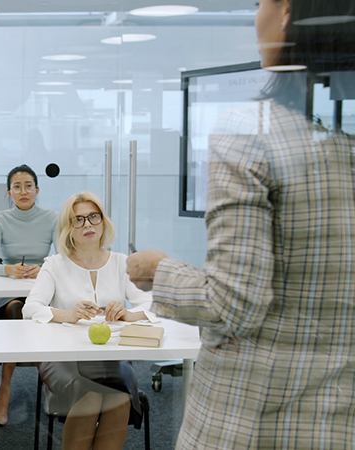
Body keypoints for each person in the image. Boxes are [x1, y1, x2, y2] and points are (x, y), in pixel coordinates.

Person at [126, 1, 355, 448]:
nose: (256, 18)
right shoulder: (344, 147)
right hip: (336, 422)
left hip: (251, 419)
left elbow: (231, 305)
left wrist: (160, 270)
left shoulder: (250, 132)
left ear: (286, 12)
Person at [23, 192, 155, 450]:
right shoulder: (54, 265)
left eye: (93, 217)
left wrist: (130, 313)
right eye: (78, 220)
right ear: (67, 229)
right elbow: (30, 309)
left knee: (118, 397)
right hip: (62, 355)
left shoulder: (121, 263)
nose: (87, 225)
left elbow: (152, 304)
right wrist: (68, 315)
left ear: (103, 222)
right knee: (91, 395)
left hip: (110, 355)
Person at [0, 164, 57, 425]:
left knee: (41, 311)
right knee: (17, 311)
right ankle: (5, 389)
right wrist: (9, 269)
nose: (23, 191)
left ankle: (49, 383)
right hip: (10, 293)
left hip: (43, 290)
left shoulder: (52, 218)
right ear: (9, 192)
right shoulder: (0, 219)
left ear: (37, 190)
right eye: (17, 186)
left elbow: (63, 258)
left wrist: (45, 267)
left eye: (28, 186)